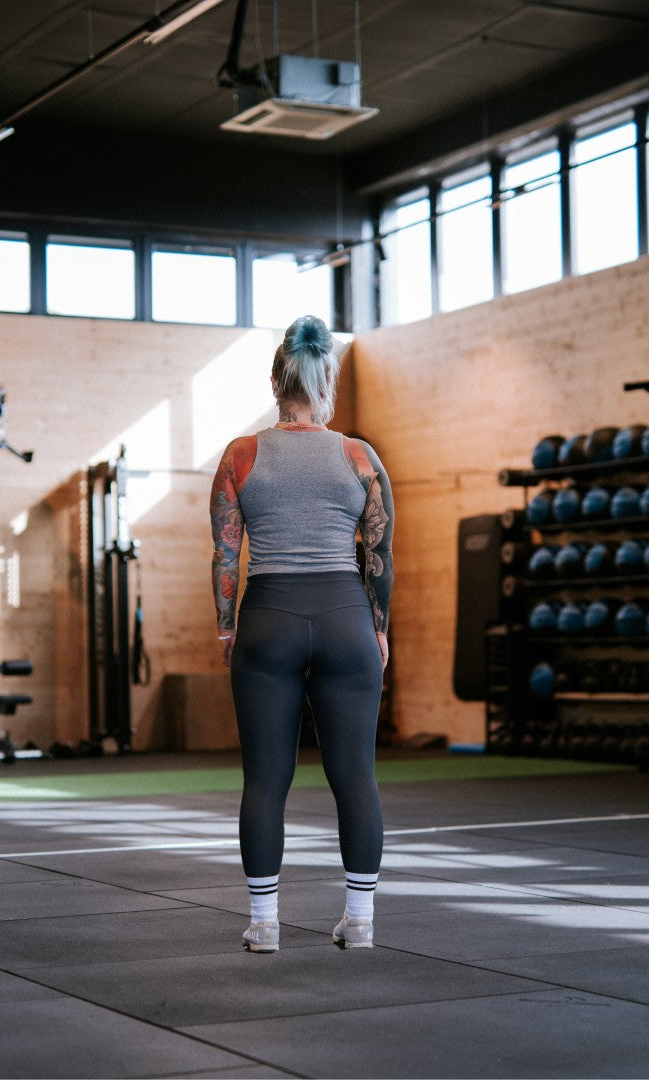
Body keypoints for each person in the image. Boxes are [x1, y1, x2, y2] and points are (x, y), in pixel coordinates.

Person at [208, 314, 394, 954]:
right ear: (327, 382)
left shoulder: (241, 456)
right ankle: (361, 921)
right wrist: (379, 628)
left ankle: (264, 925)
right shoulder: (358, 455)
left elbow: (227, 557)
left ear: (275, 378)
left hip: (268, 622)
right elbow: (380, 558)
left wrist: (229, 628)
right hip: (347, 620)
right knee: (356, 776)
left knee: (265, 780)